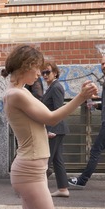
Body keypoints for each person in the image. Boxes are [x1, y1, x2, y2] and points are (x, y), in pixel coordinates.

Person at [2, 44, 97, 209]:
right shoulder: (16, 94)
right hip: (30, 171)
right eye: (37, 68)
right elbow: (52, 118)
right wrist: (80, 97)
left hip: (32, 169)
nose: (40, 73)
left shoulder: (20, 91)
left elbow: (39, 123)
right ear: (25, 66)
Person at [68, 55, 105, 192]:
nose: (104, 66)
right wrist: (97, 105)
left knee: (95, 150)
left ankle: (82, 180)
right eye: (102, 64)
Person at [41, 62, 70, 197]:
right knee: (57, 159)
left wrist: (50, 129)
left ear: (55, 73)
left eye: (48, 72)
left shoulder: (56, 87)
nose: (45, 75)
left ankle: (37, 190)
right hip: (56, 129)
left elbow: (58, 110)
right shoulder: (51, 87)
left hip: (55, 130)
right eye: (43, 73)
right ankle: (63, 189)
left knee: (45, 161)